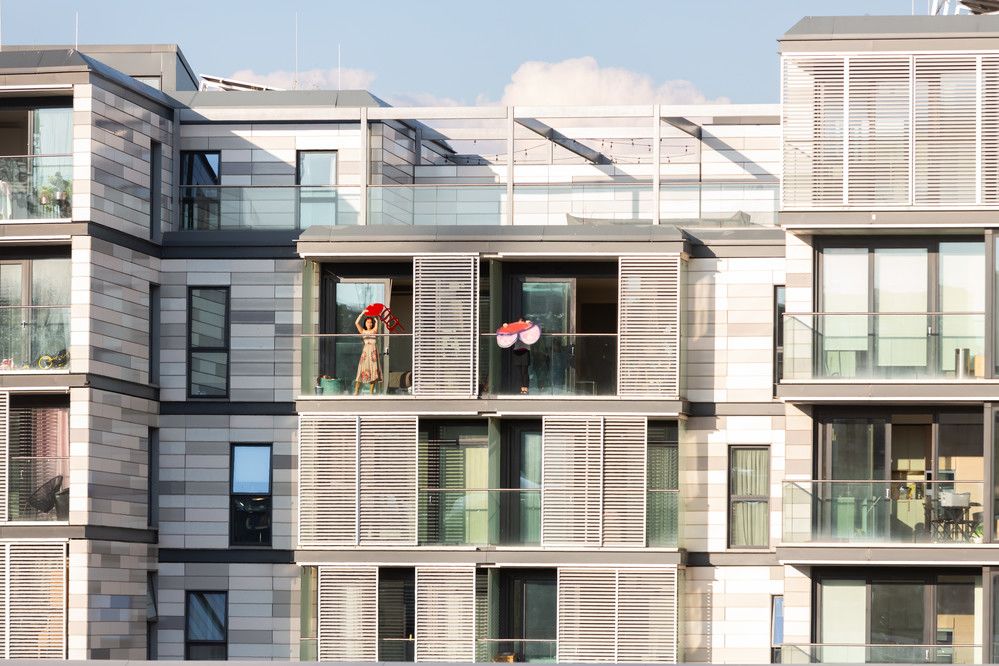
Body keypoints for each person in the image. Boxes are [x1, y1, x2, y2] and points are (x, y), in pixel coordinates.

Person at [354, 312, 382, 394]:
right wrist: (362, 313)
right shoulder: (362, 331)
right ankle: (356, 391)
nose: (369, 323)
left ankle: (371, 392)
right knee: (361, 369)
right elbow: (356, 323)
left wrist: (375, 318)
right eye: (367, 322)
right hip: (366, 352)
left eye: (370, 322)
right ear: (365, 323)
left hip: (373, 351)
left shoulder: (374, 330)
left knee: (373, 370)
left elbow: (377, 323)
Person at [510, 316, 531, 394]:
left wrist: (528, 324)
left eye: (521, 323)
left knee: (524, 371)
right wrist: (505, 325)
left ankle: (526, 387)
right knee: (519, 372)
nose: (520, 325)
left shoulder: (528, 329)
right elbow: (508, 331)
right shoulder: (516, 330)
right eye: (519, 323)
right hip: (517, 352)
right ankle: (522, 388)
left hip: (525, 352)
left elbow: (534, 329)